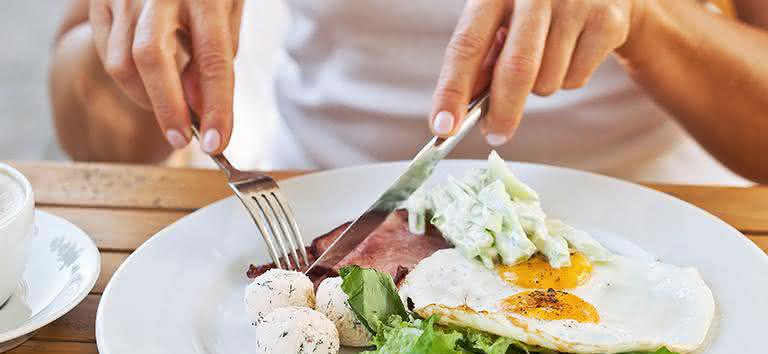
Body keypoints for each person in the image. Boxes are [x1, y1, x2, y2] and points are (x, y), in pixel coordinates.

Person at [50, 0, 768, 184]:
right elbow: (95, 138)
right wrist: (141, 60)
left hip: (655, 229)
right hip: (315, 208)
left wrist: (648, 21)